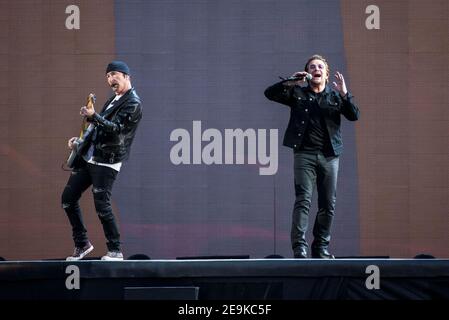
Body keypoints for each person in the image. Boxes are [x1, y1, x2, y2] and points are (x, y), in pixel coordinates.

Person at [264, 54, 359, 259]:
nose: (316, 69)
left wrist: (345, 94)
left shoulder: (335, 97)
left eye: (320, 66)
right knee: (303, 199)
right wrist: (291, 81)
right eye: (312, 66)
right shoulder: (298, 93)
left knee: (327, 204)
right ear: (308, 73)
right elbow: (269, 94)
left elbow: (354, 115)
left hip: (330, 156)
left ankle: (321, 248)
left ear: (326, 73)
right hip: (304, 154)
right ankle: (300, 248)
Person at [62, 61, 142, 261]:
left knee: (102, 206)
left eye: (114, 74)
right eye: (107, 76)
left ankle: (115, 250)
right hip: (91, 158)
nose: (110, 79)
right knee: (67, 199)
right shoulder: (113, 100)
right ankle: (82, 244)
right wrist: (79, 143)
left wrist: (94, 116)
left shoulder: (133, 103)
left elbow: (116, 129)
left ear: (126, 76)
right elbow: (98, 129)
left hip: (108, 161)